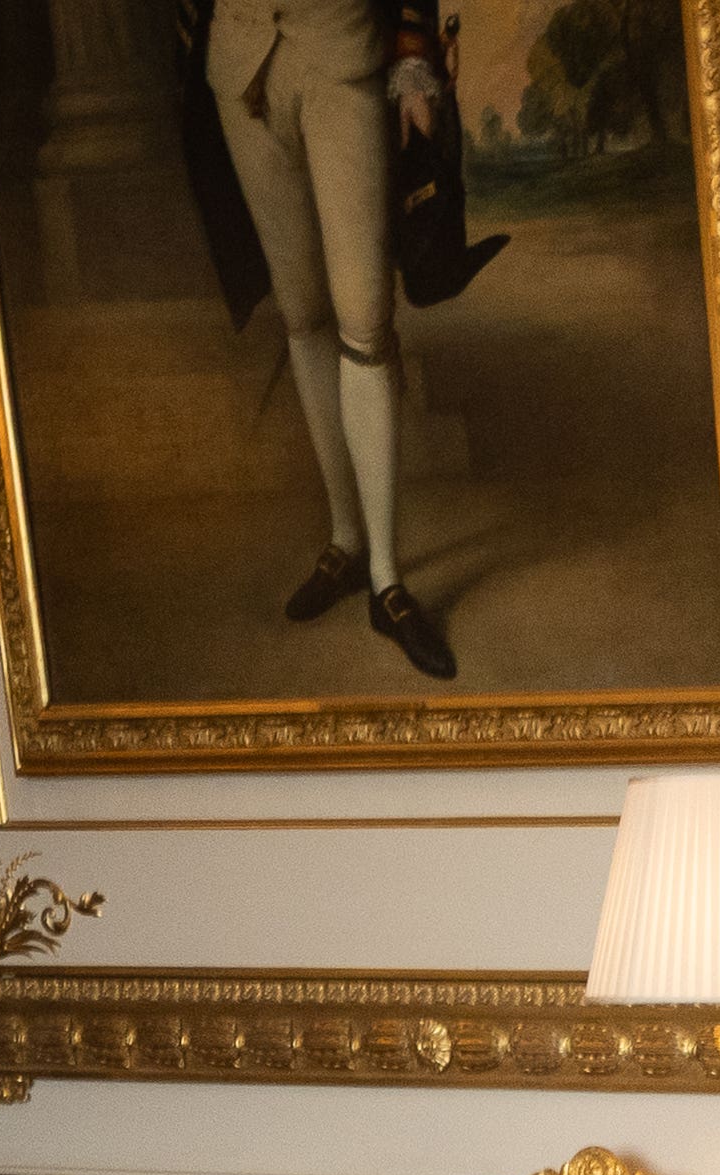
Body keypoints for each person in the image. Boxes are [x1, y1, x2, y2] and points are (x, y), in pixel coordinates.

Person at [184, 0, 464, 679]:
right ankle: (344, 539)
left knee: (365, 317)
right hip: (241, 63)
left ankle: (387, 581)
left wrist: (414, 60)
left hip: (344, 49)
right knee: (303, 310)